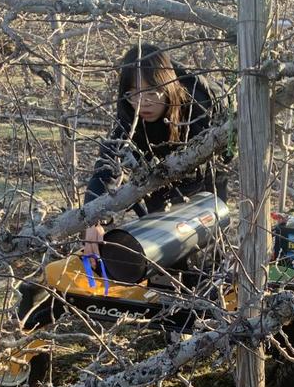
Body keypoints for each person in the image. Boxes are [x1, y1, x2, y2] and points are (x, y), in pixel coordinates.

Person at [83, 43, 229, 257]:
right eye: (133, 93)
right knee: (160, 245)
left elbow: (215, 167)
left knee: (205, 244)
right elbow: (105, 169)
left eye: (152, 91)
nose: (142, 103)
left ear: (167, 86)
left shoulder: (198, 107)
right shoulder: (129, 115)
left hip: (205, 178)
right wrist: (93, 220)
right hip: (158, 177)